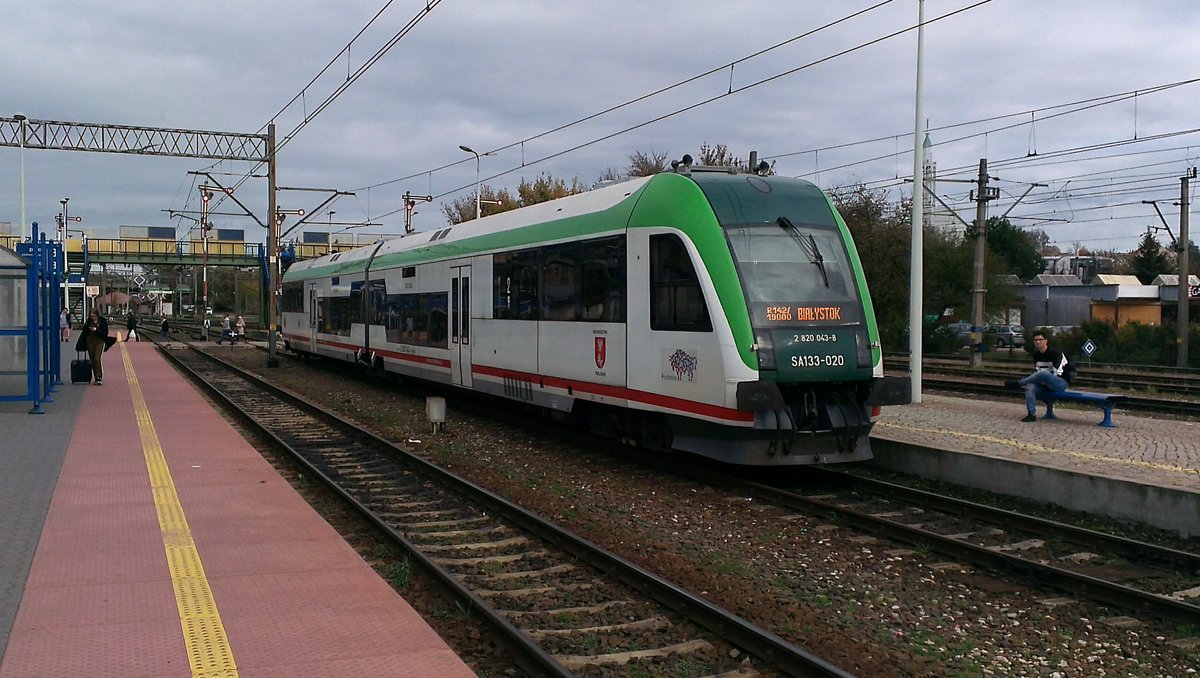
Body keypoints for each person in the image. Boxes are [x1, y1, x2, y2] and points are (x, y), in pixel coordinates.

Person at [1017, 330, 1069, 422]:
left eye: (1040, 339)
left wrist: (1040, 378)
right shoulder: (1036, 355)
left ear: (1046, 341)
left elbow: (1056, 373)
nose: (1038, 342)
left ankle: (1019, 383)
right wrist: (1038, 379)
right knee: (1030, 387)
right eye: (1035, 340)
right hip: (1044, 384)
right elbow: (1037, 372)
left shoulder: (1055, 353)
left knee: (1043, 374)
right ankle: (1031, 414)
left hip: (1060, 383)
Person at [78, 308, 110, 385]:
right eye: (91, 316)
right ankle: (96, 377)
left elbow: (105, 333)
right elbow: (84, 332)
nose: (93, 317)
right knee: (92, 359)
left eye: (94, 316)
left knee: (97, 358)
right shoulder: (88, 321)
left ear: (97, 315)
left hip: (99, 341)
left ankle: (99, 377)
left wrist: (96, 330)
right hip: (90, 341)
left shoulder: (102, 321)